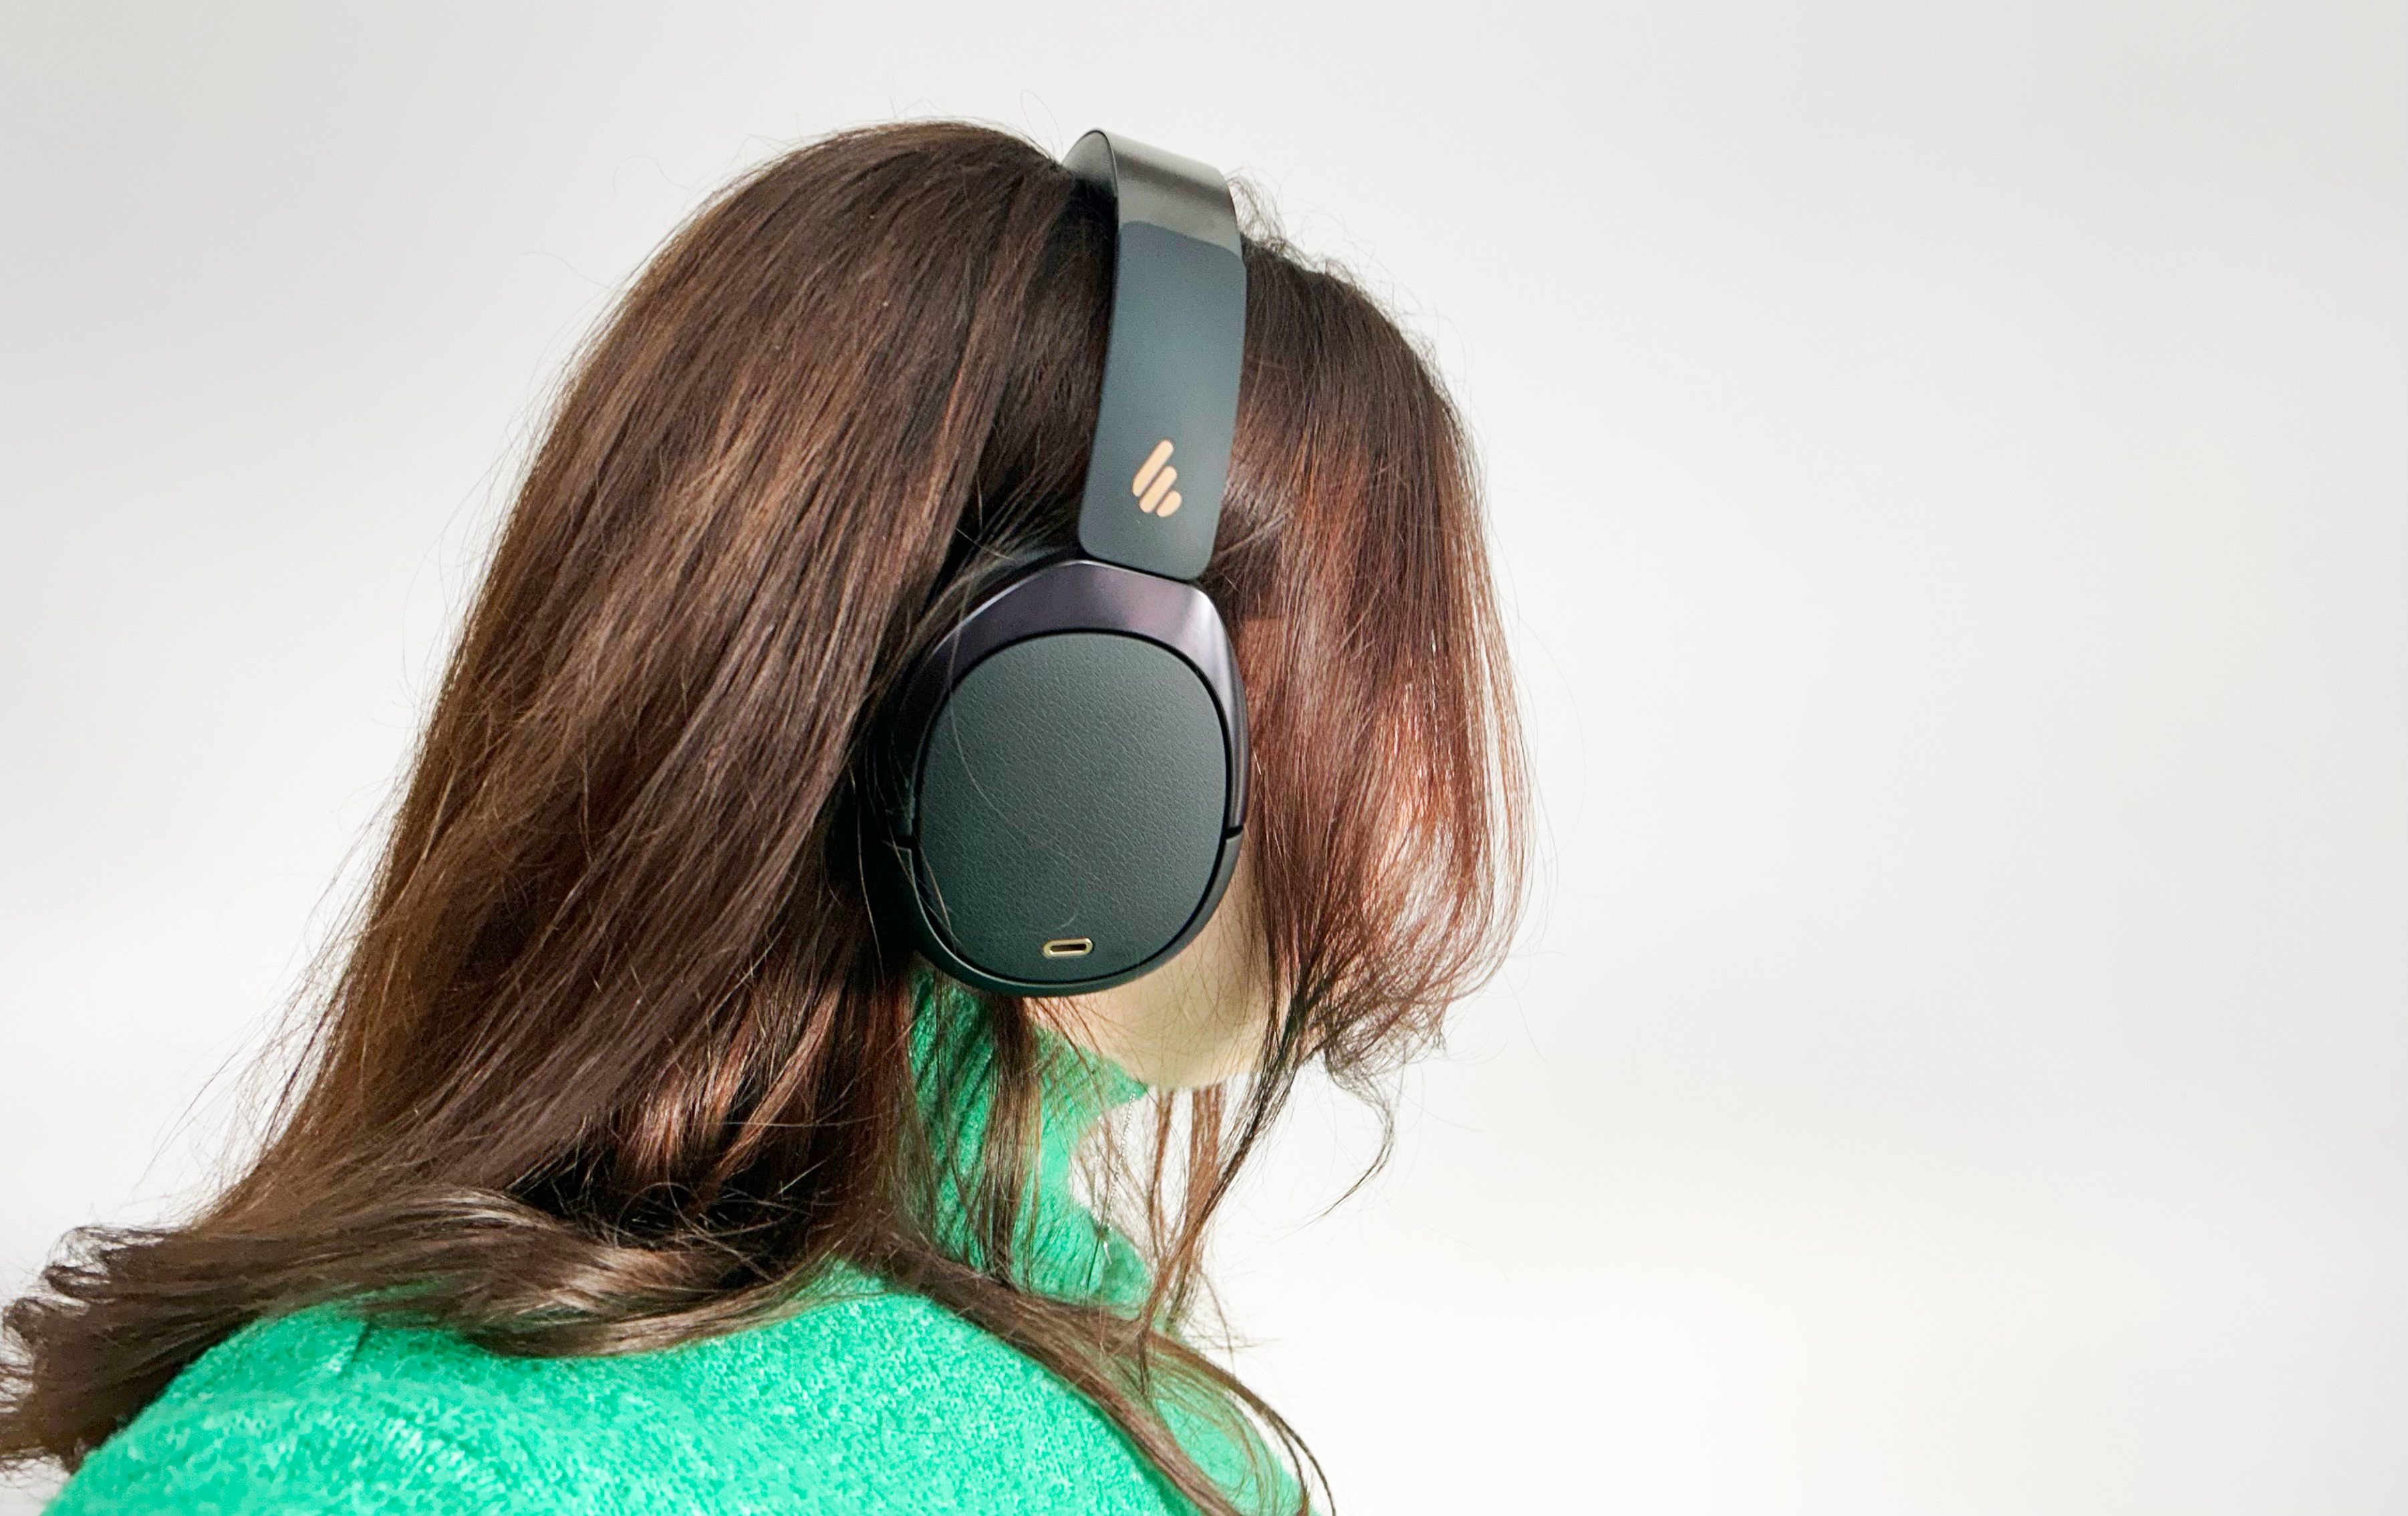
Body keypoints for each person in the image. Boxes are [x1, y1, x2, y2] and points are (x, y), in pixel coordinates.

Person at [0, 120, 1525, 1515]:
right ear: (1072, 737)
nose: (1402, 807)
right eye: (1369, 684)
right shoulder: (360, 1481)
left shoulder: (1141, 1411)